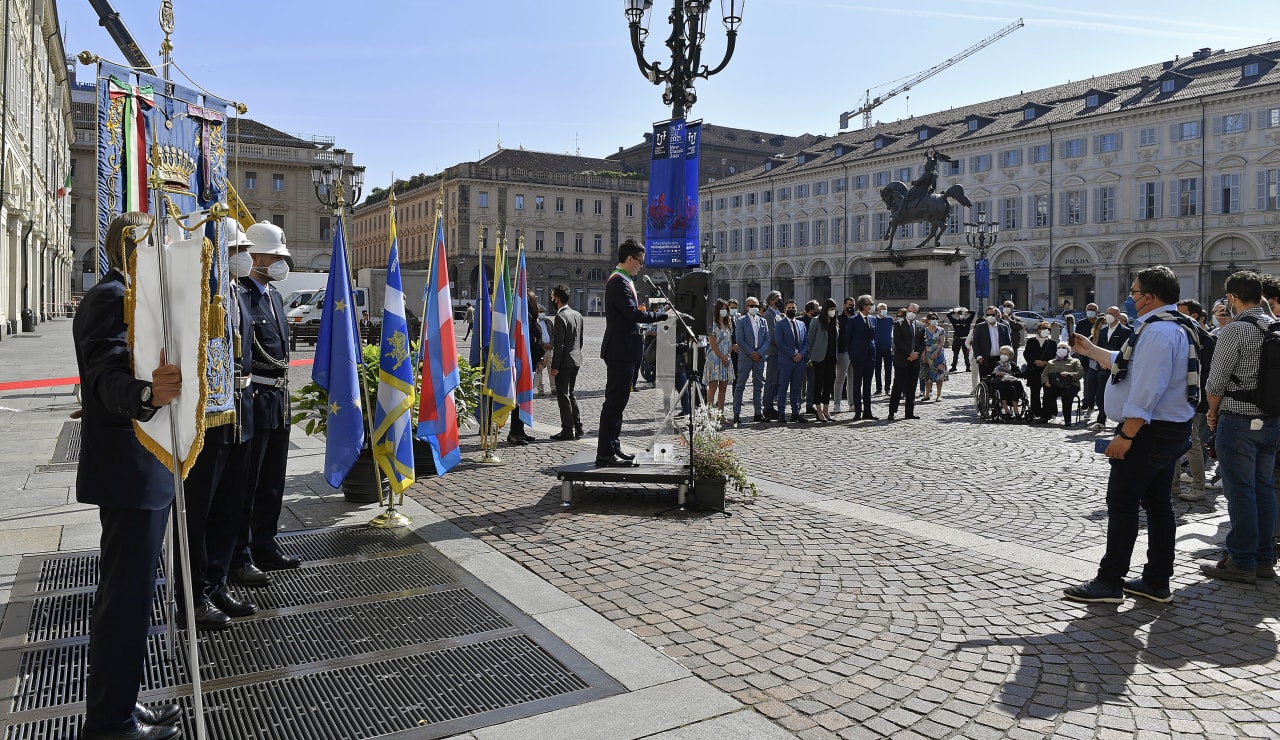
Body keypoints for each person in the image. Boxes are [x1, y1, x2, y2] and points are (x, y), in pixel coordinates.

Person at [75, 212, 186, 740]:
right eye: (155, 243)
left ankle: (122, 702)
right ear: (130, 245)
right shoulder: (109, 296)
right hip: (129, 469)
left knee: (135, 596)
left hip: (149, 467)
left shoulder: (140, 295)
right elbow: (105, 376)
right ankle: (110, 722)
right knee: (125, 599)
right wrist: (146, 395)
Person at [1064, 265, 1195, 604]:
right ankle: (1155, 580)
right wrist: (1092, 350)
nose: (1131, 298)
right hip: (1169, 428)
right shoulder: (1177, 324)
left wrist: (1127, 433)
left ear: (1150, 297)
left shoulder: (1157, 332)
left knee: (1122, 503)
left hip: (1149, 430)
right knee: (1158, 504)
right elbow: (1129, 365)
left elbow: (1147, 387)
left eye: (1135, 293)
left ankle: (1110, 581)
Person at [180, 221, 259, 632]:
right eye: (235, 247)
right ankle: (193, 595)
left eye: (244, 248)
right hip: (207, 414)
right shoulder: (197, 292)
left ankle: (218, 580)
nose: (243, 255)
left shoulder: (239, 292)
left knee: (230, 504)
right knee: (200, 510)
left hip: (239, 409)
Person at [234, 220, 301, 582]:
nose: (280, 263)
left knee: (273, 479)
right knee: (249, 481)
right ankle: (242, 553)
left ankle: (266, 542)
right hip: (254, 396)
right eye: (274, 256)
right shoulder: (241, 295)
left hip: (277, 397)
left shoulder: (274, 296)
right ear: (253, 255)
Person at [1201, 271, 1278, 584]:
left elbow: (1216, 382)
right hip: (1272, 421)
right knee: (1265, 489)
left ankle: (1241, 560)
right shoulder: (1275, 326)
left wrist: (1212, 414)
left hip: (1239, 420)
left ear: (1231, 298)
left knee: (1241, 491)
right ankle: (1264, 558)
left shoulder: (1235, 330)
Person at [597, 241, 667, 467]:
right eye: (640, 261)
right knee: (614, 403)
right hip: (620, 350)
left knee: (620, 402)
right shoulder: (619, 282)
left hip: (624, 349)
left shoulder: (624, 280)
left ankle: (613, 445)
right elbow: (632, 314)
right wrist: (661, 316)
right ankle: (605, 452)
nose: (641, 266)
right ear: (629, 259)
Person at [1174, 299, 1217, 501]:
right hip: (1176, 397)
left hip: (1194, 400)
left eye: (1182, 314)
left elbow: (1208, 374)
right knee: (1173, 442)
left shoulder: (1207, 341)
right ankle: (1172, 486)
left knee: (1193, 443)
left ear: (1196, 316)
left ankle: (1198, 486)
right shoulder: (1179, 336)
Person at [548, 283, 584, 441]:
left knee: (563, 396)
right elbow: (580, 340)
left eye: (552, 296)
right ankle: (578, 426)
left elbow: (559, 345)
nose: (551, 299)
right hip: (576, 359)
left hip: (564, 362)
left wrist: (555, 366)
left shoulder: (560, 317)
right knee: (572, 394)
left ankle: (567, 430)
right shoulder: (577, 315)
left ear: (557, 299)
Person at [1087, 307, 1133, 430]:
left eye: (1111, 314)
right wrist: (1101, 361)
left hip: (1117, 369)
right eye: (1107, 313)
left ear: (1118, 316)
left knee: (1120, 395)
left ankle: (1123, 421)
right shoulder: (1102, 331)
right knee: (1100, 394)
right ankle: (1101, 420)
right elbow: (1098, 348)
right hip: (1102, 368)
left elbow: (1125, 351)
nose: (1108, 316)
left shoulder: (1126, 332)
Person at [508, 291, 544, 445]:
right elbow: (530, 342)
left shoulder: (529, 317)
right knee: (519, 398)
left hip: (529, 362)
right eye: (534, 298)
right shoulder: (525, 319)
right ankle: (515, 432)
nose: (537, 299)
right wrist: (540, 354)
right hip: (522, 363)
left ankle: (519, 430)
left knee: (522, 399)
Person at [732, 296, 770, 425]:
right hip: (745, 357)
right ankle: (736, 413)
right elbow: (740, 340)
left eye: (756, 306)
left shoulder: (763, 321)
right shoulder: (741, 321)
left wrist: (759, 353)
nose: (754, 308)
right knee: (740, 385)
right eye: (751, 305)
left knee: (758, 385)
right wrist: (751, 352)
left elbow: (767, 339)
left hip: (759, 357)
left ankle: (758, 413)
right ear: (746, 307)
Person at [774, 299, 809, 423]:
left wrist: (801, 354)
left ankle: (796, 412)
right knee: (783, 388)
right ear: (785, 310)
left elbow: (805, 342)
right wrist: (793, 354)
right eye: (789, 308)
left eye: (793, 308)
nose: (791, 310)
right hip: (786, 361)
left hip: (799, 361)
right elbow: (780, 342)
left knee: (796, 388)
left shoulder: (801, 324)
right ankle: (781, 413)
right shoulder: (780, 324)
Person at [844, 295, 878, 421]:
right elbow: (848, 339)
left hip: (870, 356)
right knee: (857, 384)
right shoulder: (853, 320)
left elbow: (873, 337)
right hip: (858, 356)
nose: (872, 305)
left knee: (868, 385)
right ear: (863, 305)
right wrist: (852, 355)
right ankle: (858, 411)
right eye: (870, 303)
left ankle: (868, 411)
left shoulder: (873, 319)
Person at [888, 305, 924, 421]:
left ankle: (909, 412)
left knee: (912, 388)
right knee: (898, 387)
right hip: (902, 360)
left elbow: (923, 342)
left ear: (917, 313)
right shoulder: (898, 324)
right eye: (909, 311)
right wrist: (909, 353)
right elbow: (897, 342)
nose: (911, 313)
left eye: (914, 312)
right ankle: (892, 412)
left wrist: (916, 353)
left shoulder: (920, 326)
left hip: (915, 361)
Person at [808, 298, 840, 422]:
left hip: (831, 357)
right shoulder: (816, 321)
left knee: (829, 383)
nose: (833, 312)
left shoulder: (834, 322)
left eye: (834, 310)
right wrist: (810, 357)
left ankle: (826, 409)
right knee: (818, 383)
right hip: (819, 357)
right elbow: (810, 340)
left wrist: (836, 356)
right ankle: (819, 410)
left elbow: (835, 342)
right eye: (831, 309)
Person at [1038, 341, 1084, 425]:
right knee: (1048, 393)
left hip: (1070, 385)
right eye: (1059, 348)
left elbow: (1080, 373)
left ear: (1068, 350)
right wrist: (1045, 382)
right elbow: (1044, 374)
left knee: (1067, 395)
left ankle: (1067, 419)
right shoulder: (1051, 362)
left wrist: (1069, 374)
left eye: (1063, 348)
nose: (1061, 349)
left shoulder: (1075, 361)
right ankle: (1045, 416)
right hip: (1055, 384)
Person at [705, 299, 735, 423]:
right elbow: (712, 344)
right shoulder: (712, 325)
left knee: (723, 388)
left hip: (726, 358)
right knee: (713, 387)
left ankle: (720, 414)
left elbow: (730, 342)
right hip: (715, 358)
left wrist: (728, 355)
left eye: (725, 309)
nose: (724, 311)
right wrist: (722, 356)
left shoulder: (728, 324)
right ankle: (710, 414)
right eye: (722, 309)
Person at [1023, 321, 1058, 420]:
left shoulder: (1052, 343)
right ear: (1038, 330)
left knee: (1049, 392)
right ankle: (1036, 411)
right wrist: (1034, 361)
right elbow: (1026, 354)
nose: (1046, 330)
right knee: (1034, 392)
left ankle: (1050, 412)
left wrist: (1046, 362)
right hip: (1034, 370)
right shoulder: (1031, 341)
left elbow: (1055, 356)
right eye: (1043, 328)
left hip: (1047, 371)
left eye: (1048, 329)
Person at [972, 306, 1011, 379]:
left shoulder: (1004, 327)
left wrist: (1009, 357)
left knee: (1000, 381)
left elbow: (1008, 343)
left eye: (992, 315)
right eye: (988, 315)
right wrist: (978, 356)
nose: (990, 316)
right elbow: (975, 343)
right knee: (985, 381)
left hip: (1000, 360)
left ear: (997, 315)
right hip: (985, 359)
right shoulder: (979, 327)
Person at [762, 290, 784, 420]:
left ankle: (772, 405)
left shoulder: (777, 314)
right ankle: (767, 407)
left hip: (779, 352)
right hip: (773, 352)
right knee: (770, 381)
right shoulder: (768, 315)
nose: (780, 301)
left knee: (777, 381)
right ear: (772, 301)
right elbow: (772, 335)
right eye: (778, 299)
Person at [989, 345, 1027, 419]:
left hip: (1011, 382)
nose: (1003, 355)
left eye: (1005, 354)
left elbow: (1019, 373)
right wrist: (996, 373)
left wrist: (1008, 373)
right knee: (1003, 389)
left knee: (1015, 387)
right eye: (1002, 353)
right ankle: (1007, 411)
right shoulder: (996, 364)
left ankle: (1016, 412)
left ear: (1010, 356)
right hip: (1000, 382)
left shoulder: (1012, 364)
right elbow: (990, 373)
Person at [832, 297, 856, 412]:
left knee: (853, 379)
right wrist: (835, 354)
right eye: (849, 305)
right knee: (840, 378)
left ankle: (852, 403)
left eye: (853, 305)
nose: (851, 307)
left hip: (855, 352)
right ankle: (837, 403)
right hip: (843, 351)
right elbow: (835, 339)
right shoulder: (838, 319)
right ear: (844, 305)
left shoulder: (856, 318)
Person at [920, 312, 948, 402]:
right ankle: (927, 394)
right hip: (927, 355)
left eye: (936, 318)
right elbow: (922, 343)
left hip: (939, 355)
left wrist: (936, 351)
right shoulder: (924, 330)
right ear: (928, 320)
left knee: (939, 376)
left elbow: (941, 342)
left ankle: (938, 395)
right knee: (928, 376)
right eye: (932, 318)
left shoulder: (941, 330)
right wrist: (923, 354)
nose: (934, 320)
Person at [1079, 302, 1101, 414]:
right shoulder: (1081, 324)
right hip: (1084, 357)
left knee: (1099, 381)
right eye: (1089, 309)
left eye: (1093, 309)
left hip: (1099, 357)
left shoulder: (1101, 323)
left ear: (1097, 311)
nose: (1091, 311)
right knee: (1087, 381)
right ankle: (1086, 401)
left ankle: (1097, 401)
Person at [873, 302, 894, 394]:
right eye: (882, 308)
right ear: (878, 310)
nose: (884, 310)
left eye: (885, 308)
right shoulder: (873, 320)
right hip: (876, 347)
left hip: (888, 347)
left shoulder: (890, 319)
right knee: (877, 369)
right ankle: (879, 388)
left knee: (888, 369)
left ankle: (887, 388)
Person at [946, 306, 973, 372]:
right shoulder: (955, 321)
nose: (962, 315)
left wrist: (966, 310)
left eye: (963, 314)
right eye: (960, 314)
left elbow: (973, 314)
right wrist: (954, 311)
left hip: (965, 339)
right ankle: (954, 367)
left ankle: (968, 367)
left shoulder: (967, 321)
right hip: (957, 339)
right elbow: (948, 315)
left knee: (966, 354)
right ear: (958, 315)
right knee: (955, 354)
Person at [534, 305, 553, 396]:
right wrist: (542, 344)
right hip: (540, 349)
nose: (542, 313)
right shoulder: (534, 323)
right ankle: (540, 389)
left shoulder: (549, 322)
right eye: (540, 312)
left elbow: (553, 334)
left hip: (549, 349)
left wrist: (551, 344)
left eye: (543, 311)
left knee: (551, 368)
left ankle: (554, 387)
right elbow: (536, 337)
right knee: (539, 369)